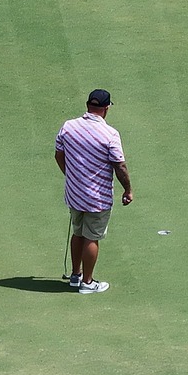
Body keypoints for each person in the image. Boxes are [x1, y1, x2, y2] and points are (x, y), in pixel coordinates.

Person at [54, 88, 133, 294]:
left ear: (88, 105)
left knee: (78, 232)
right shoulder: (110, 134)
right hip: (97, 197)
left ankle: (75, 275)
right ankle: (87, 283)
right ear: (106, 109)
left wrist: (70, 175)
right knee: (92, 237)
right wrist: (128, 190)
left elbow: (58, 154)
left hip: (74, 193)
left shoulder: (68, 127)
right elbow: (120, 165)